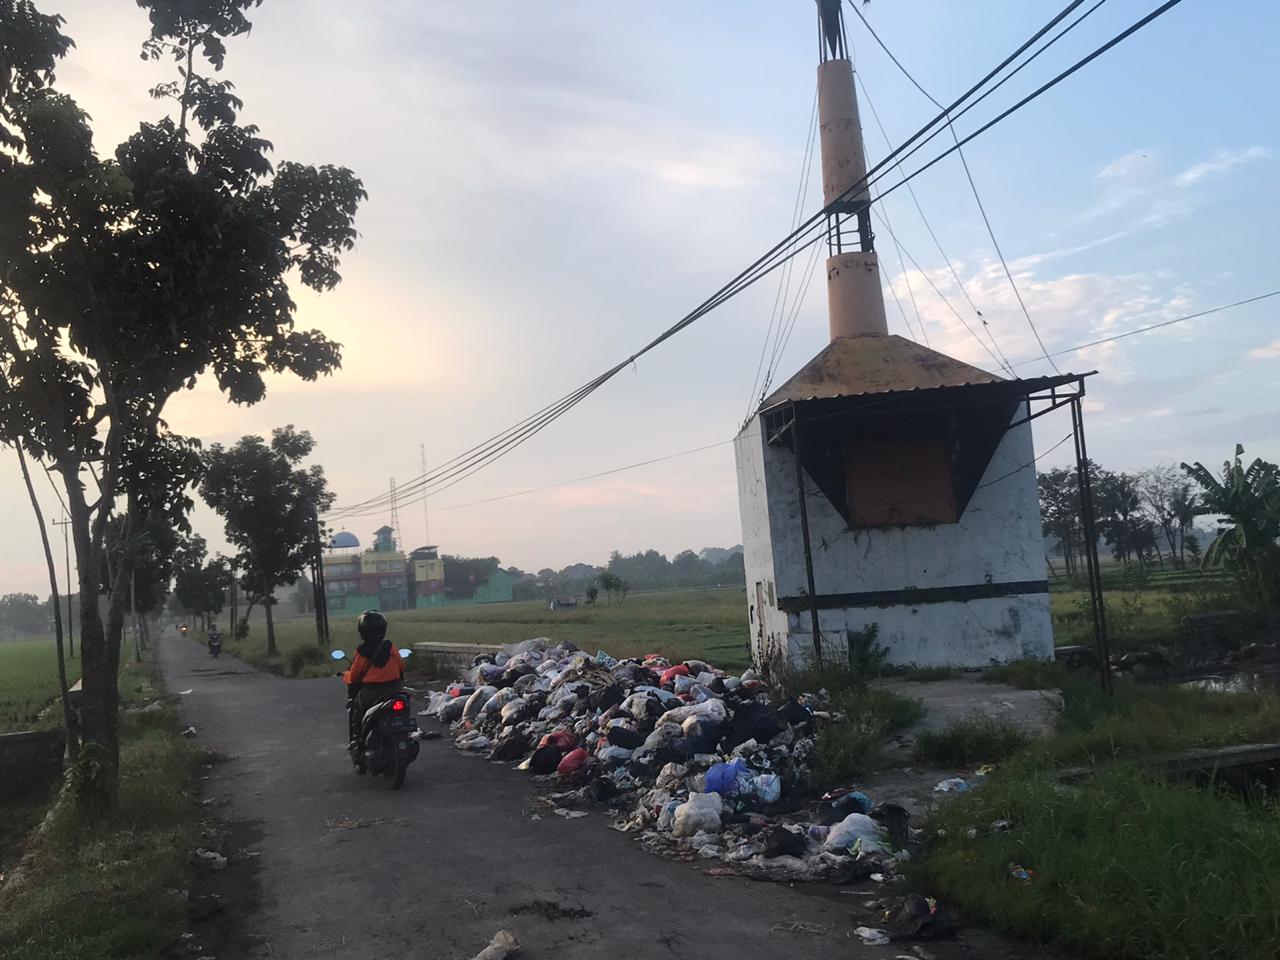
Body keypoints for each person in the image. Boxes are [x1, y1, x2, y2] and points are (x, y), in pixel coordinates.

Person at [343, 610, 405, 749]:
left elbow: (354, 677)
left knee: (357, 715)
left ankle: (358, 742)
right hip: (394, 690)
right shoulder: (390, 647)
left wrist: (346, 675)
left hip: (371, 693)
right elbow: (402, 667)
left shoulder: (362, 651)